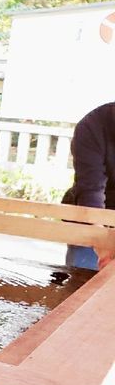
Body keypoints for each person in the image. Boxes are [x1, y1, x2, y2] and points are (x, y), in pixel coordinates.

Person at [63, 101, 115, 270]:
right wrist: (101, 240)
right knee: (82, 287)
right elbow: (91, 190)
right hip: (91, 217)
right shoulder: (92, 126)